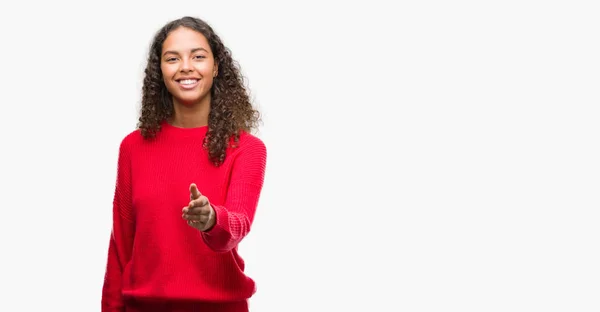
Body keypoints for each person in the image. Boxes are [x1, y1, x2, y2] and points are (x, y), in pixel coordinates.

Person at [101, 16, 267, 312]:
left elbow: (238, 225)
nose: (186, 66)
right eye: (172, 58)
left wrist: (212, 219)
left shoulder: (246, 149)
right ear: (160, 71)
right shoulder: (132, 147)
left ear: (216, 67)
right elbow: (121, 247)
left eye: (198, 56)